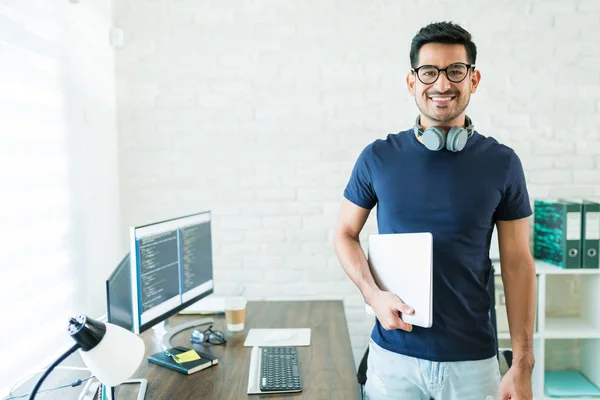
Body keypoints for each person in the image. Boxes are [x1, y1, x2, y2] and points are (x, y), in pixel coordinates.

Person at [333, 21, 536, 400]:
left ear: (473, 80)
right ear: (412, 82)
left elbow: (518, 264)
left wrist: (523, 364)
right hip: (393, 357)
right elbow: (345, 233)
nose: (442, 84)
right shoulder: (377, 158)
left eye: (455, 71)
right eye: (429, 72)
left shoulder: (503, 163)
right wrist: (372, 293)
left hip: (472, 363)